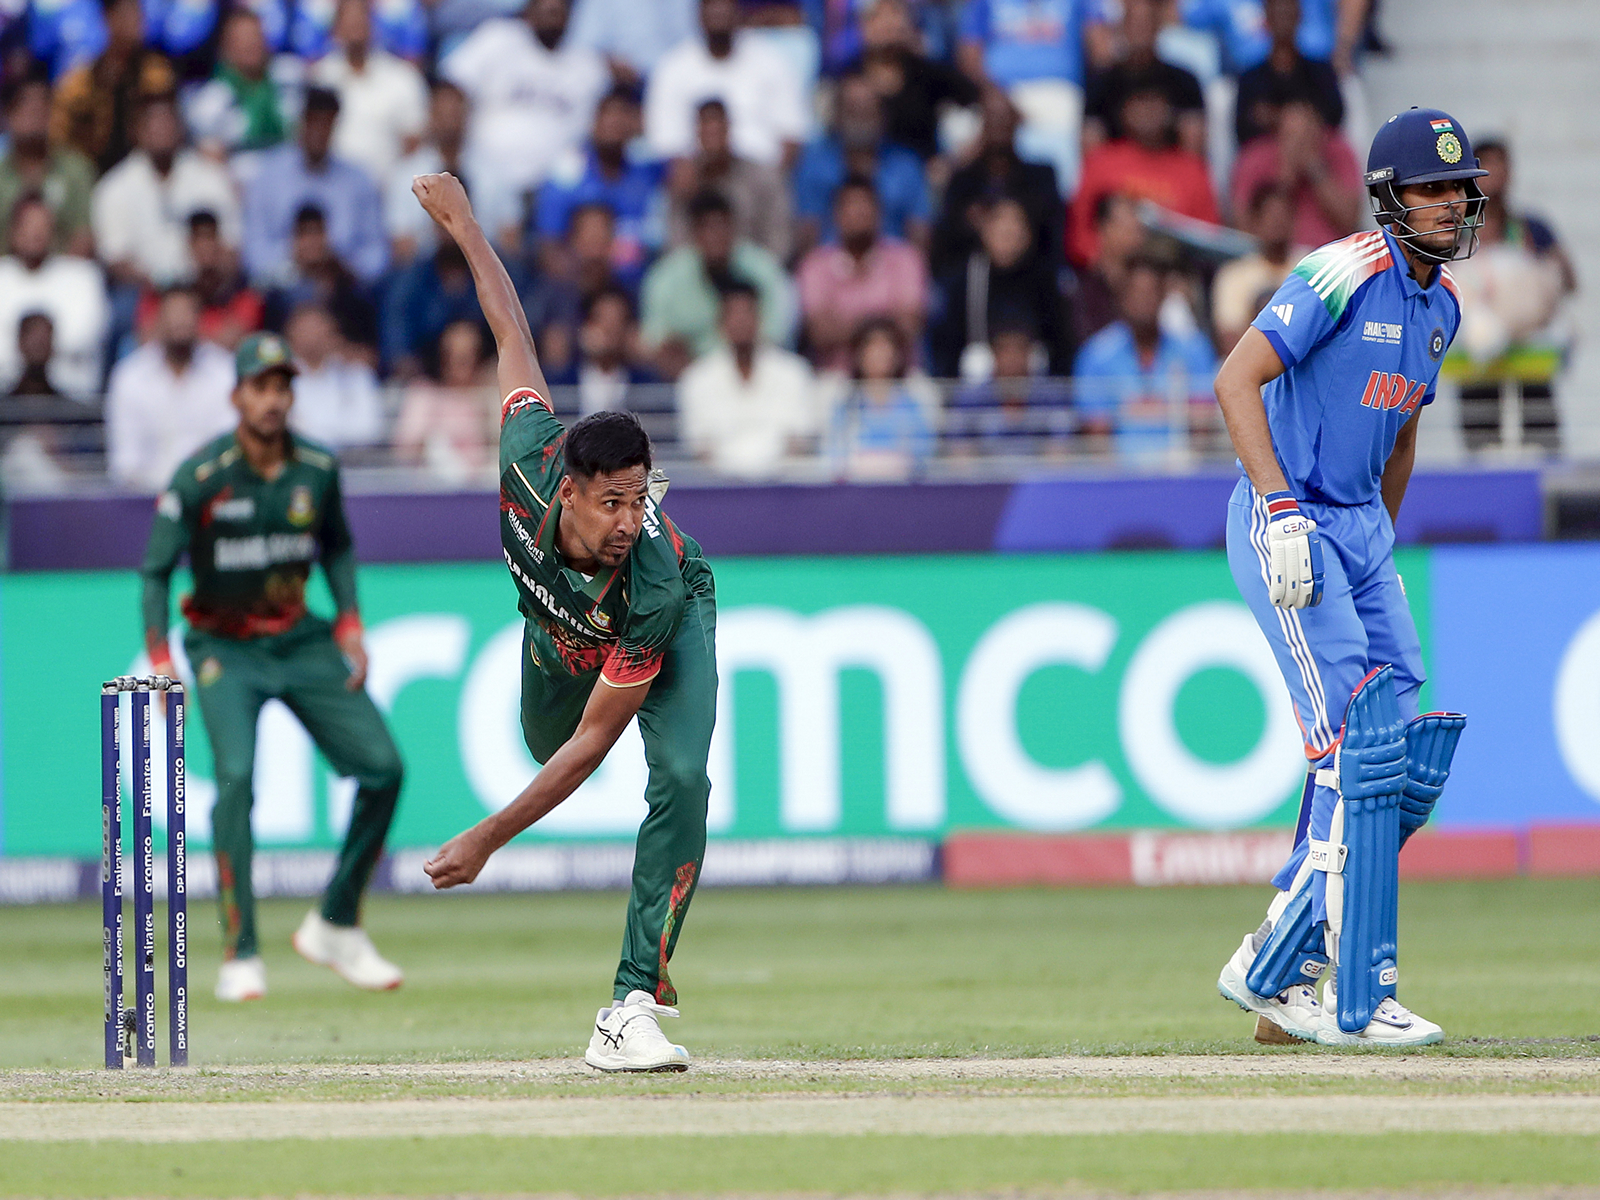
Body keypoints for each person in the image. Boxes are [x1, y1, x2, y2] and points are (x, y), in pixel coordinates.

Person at [413, 171, 719, 1073]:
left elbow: (591, 748)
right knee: (539, 740)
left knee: (682, 777)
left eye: (641, 498)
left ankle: (631, 1003)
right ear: (572, 490)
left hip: (666, 623)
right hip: (554, 640)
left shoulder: (653, 581)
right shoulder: (526, 455)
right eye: (613, 502)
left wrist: (486, 839)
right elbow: (510, 327)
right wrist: (466, 224)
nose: (629, 520)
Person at [1211, 108, 1483, 1048]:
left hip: (1362, 531)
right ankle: (1325, 980)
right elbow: (1236, 379)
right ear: (1387, 197)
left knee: (1402, 760)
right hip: (1289, 514)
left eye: (1460, 189)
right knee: (1351, 752)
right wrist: (1281, 507)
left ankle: (1286, 972)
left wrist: (1378, 545)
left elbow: (1403, 434)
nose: (1451, 205)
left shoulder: (1443, 308)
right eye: (1431, 189)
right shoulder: (1339, 271)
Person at [140, 329, 405, 1003]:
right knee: (234, 780)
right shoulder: (200, 477)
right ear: (237, 396)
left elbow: (337, 546)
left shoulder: (317, 467)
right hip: (223, 646)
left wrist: (349, 620)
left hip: (298, 638)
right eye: (260, 387)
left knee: (384, 768)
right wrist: (162, 657)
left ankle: (337, 923)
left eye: (283, 387)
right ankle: (241, 952)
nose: (273, 400)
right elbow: (155, 571)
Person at [1446, 137, 1576, 452]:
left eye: (1501, 164)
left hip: (1529, 350)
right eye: (1486, 164)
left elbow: (1568, 280)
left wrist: (1540, 275)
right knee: (1479, 435)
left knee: (1541, 429)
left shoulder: (1532, 228)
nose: (1495, 173)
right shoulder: (1453, 231)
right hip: (1475, 358)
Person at [440, 0, 608, 230]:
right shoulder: (499, 39)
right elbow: (450, 87)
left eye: (558, 11)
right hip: (488, 180)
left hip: (554, 190)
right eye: (545, 9)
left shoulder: (588, 64)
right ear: (530, 10)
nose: (552, 16)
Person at [92, 92, 241, 291]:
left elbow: (231, 244)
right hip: (144, 291)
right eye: (153, 124)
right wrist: (161, 287)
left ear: (180, 127)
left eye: (167, 122)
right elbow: (115, 258)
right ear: (137, 131)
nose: (161, 131)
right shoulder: (114, 187)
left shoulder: (211, 177)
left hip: (206, 288)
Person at [242, 87, 389, 288]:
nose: (318, 131)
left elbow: (377, 254)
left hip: (342, 287)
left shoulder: (358, 180)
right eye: (313, 121)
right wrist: (294, 256)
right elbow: (253, 253)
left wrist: (344, 265)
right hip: (283, 288)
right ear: (300, 122)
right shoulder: (268, 176)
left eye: (326, 123)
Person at [1073, 255, 1219, 458]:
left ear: (1163, 296)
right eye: (1137, 293)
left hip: (1182, 466)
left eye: (1151, 292)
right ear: (1121, 298)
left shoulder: (1194, 349)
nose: (1144, 301)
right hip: (1119, 469)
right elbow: (1097, 433)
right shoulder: (1096, 355)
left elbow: (1203, 423)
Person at [640, 189, 791, 378]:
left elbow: (776, 336)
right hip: (684, 379)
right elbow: (653, 343)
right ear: (693, 233)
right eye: (707, 227)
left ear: (734, 229)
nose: (715, 236)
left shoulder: (764, 271)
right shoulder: (665, 278)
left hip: (754, 375)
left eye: (722, 226)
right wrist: (701, 378)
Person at [1068, 82, 1219, 269]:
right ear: (1124, 110)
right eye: (1139, 102)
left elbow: (1208, 238)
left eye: (1155, 103)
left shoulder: (1193, 169)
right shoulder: (1099, 162)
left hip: (1175, 271)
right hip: (1108, 274)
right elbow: (1079, 233)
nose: (1148, 111)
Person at [646, 0, 809, 170]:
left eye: (725, 5)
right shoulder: (672, 67)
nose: (719, 12)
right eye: (712, 6)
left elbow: (792, 133)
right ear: (699, 13)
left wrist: (772, 181)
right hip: (697, 174)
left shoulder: (771, 61)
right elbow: (665, 143)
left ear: (739, 11)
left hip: (757, 171)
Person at [105, 283, 237, 491]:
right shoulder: (131, 376)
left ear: (200, 319)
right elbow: (125, 461)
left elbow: (228, 447)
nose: (180, 320)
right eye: (173, 313)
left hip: (211, 494)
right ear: (158, 318)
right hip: (146, 496)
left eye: (187, 312)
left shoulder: (225, 372)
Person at [677, 281, 815, 478]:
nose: (741, 322)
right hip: (719, 487)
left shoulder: (794, 373)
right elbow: (699, 448)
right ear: (720, 323)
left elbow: (800, 441)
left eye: (747, 313)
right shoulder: (696, 379)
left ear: (760, 319)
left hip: (783, 486)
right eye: (733, 315)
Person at [796, 175, 929, 373]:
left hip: (899, 377)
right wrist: (880, 328)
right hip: (836, 377)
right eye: (850, 205)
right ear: (835, 214)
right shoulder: (815, 265)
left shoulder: (906, 259)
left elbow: (909, 326)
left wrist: (845, 325)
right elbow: (819, 332)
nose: (858, 212)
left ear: (879, 212)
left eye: (865, 205)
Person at [792, 68, 930, 256]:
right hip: (830, 265)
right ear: (837, 114)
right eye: (853, 108)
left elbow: (920, 233)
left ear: (883, 114)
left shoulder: (906, 166)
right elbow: (807, 231)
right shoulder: (815, 164)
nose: (861, 116)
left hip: (893, 266)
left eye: (868, 108)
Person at [535, 88, 664, 287]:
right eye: (608, 115)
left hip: (639, 284)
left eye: (622, 115)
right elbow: (549, 246)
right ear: (594, 123)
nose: (615, 123)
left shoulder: (648, 171)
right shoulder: (568, 173)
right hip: (580, 285)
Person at [931, 194, 1069, 378]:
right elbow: (948, 344)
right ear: (985, 230)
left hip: (1037, 387)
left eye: (1015, 225)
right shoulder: (964, 279)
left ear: (1028, 233)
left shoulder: (1044, 279)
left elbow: (1060, 343)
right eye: (1000, 224)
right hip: (975, 387)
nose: (1008, 230)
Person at [931, 87, 1060, 278]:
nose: (999, 124)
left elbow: (1052, 232)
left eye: (1004, 117)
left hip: (1030, 279)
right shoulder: (962, 181)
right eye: (992, 116)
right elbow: (946, 238)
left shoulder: (1041, 177)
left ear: (1016, 121)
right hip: (974, 279)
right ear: (982, 123)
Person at [309, 0, 430, 189]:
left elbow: (415, 142)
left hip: (388, 188)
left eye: (360, 19)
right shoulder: (320, 78)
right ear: (336, 28)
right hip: (330, 190)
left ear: (373, 23)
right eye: (348, 20)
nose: (355, 27)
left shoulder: (402, 78)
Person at [0, 195, 108, 400]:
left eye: (42, 225)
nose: (36, 233)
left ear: (54, 230)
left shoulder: (83, 275)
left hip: (72, 401)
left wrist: (24, 347)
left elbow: (84, 337)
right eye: (28, 225)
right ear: (13, 231)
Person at [49, 0, 177, 173]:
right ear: (108, 18)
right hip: (93, 171)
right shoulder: (80, 83)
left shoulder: (157, 74)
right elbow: (59, 138)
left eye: (138, 15)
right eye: (126, 14)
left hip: (147, 168)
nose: (135, 23)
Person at [849, 0, 979, 167]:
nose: (888, 23)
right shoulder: (850, 75)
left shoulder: (926, 73)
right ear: (862, 24)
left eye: (895, 13)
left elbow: (976, 97)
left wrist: (952, 161)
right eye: (877, 16)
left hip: (921, 173)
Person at [664, 99, 792, 261]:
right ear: (697, 133)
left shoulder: (762, 177)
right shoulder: (684, 180)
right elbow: (675, 245)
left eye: (717, 130)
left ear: (728, 129)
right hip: (697, 271)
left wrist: (757, 268)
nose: (712, 139)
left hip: (752, 269)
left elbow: (779, 238)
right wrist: (682, 198)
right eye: (706, 131)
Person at [1230, 96, 1361, 253]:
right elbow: (1242, 228)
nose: (1299, 142)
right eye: (1292, 134)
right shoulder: (1254, 157)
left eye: (1306, 133)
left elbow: (1350, 220)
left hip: (1331, 257)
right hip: (1273, 259)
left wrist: (1315, 170)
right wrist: (1287, 174)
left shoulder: (1339, 151)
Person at [1082, 0, 1205, 159]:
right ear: (1122, 28)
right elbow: (1091, 143)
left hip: (1169, 166)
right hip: (1117, 166)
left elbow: (1193, 142)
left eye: (1147, 24)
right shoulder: (1101, 83)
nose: (1141, 30)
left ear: (1158, 28)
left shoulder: (1185, 80)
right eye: (1134, 24)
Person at [262, 205, 380, 360]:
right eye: (304, 234)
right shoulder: (277, 293)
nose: (311, 242)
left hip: (340, 367)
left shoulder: (350, 290)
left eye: (317, 233)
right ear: (293, 241)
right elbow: (268, 349)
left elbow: (370, 355)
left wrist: (332, 345)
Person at [134, 211, 264, 351]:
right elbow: (147, 338)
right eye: (198, 239)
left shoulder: (240, 288)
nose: (204, 247)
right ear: (188, 244)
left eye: (209, 238)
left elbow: (230, 340)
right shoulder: (169, 287)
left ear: (220, 243)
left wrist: (182, 331)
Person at [825, 317, 934, 481]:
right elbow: (833, 455)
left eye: (885, 346)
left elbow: (924, 454)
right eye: (872, 346)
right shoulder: (846, 405)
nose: (879, 353)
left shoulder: (912, 404)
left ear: (897, 354)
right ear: (859, 354)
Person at [0, 74, 96, 258]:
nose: (35, 118)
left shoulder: (76, 169)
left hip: (65, 270)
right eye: (27, 110)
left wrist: (56, 273)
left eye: (41, 110)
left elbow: (84, 234)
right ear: (9, 116)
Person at [393, 318, 500, 481]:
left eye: (468, 355)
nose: (461, 362)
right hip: (432, 484)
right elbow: (406, 448)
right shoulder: (423, 394)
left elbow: (502, 443)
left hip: (481, 484)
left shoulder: (489, 393)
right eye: (453, 354)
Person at [183, 7, 290, 164]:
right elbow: (208, 158)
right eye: (243, 38)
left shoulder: (287, 82)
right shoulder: (210, 101)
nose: (251, 44)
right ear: (225, 47)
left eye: (255, 36)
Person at [385, 80, 476, 264]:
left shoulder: (493, 172)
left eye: (455, 113)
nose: (450, 122)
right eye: (443, 114)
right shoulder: (405, 175)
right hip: (425, 269)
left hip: (478, 264)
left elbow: (508, 241)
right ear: (430, 116)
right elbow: (401, 246)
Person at [1212, 181, 1307, 354]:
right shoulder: (1233, 275)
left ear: (1294, 220)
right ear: (1255, 221)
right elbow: (1230, 341)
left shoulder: (1311, 268)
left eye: (1283, 215)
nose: (1277, 222)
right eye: (1270, 215)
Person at [1233, 0, 1343, 147]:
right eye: (1278, 14)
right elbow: (1242, 128)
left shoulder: (1321, 72)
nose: (1283, 20)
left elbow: (1335, 115)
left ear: (1299, 16)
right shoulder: (1250, 78)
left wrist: (1281, 118)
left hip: (1315, 147)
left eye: (1288, 13)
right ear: (1267, 18)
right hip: (1267, 150)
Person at [284, 302, 386, 451]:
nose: (313, 336)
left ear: (332, 332)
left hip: (349, 460)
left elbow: (369, 429)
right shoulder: (279, 376)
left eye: (318, 328)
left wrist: (309, 429)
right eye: (306, 329)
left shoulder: (357, 375)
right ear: (291, 333)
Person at [549, 286, 661, 416]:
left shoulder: (646, 386)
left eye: (616, 322)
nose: (609, 330)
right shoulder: (560, 385)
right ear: (585, 326)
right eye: (602, 321)